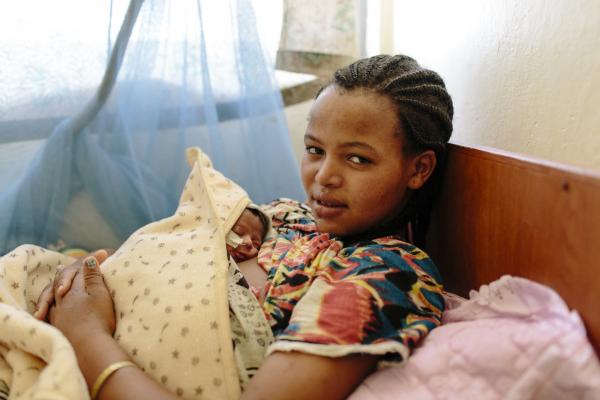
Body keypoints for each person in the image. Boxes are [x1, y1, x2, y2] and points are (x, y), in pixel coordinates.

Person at [37, 54, 453, 400]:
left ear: (419, 169)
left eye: (357, 159)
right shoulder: (285, 214)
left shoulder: (386, 270)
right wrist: (86, 276)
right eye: (314, 149)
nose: (324, 176)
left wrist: (85, 332)